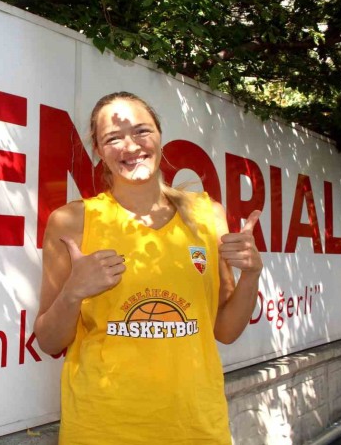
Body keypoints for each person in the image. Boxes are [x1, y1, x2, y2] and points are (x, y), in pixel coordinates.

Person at [35, 92, 263, 444]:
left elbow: (226, 330)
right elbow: (49, 340)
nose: (130, 146)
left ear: (159, 136)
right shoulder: (72, 221)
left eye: (141, 131)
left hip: (196, 427)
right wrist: (72, 293)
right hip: (101, 429)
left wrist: (252, 273)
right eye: (113, 138)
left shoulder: (207, 214)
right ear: (98, 150)